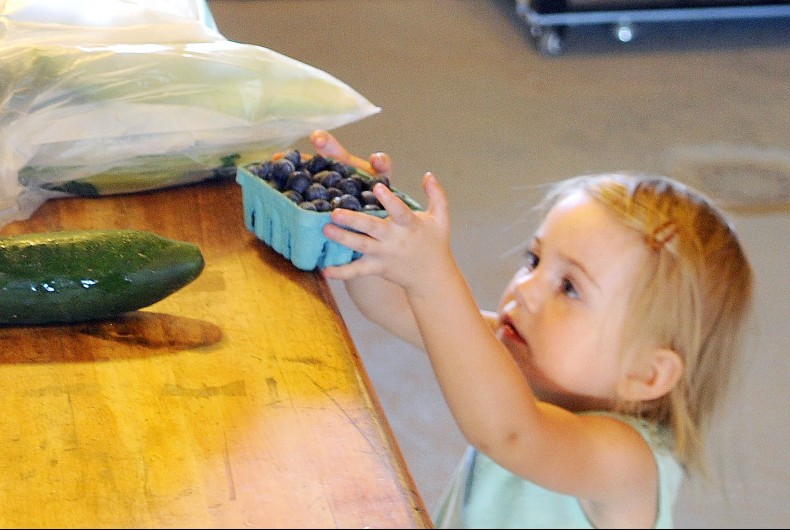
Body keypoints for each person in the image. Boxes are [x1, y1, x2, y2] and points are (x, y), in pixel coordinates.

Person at [307, 129, 754, 529]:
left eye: (569, 288)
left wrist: (432, 276)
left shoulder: (627, 462)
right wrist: (366, 216)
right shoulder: (518, 351)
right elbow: (393, 305)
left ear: (646, 374)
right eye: (534, 261)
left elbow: (508, 433)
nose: (526, 291)